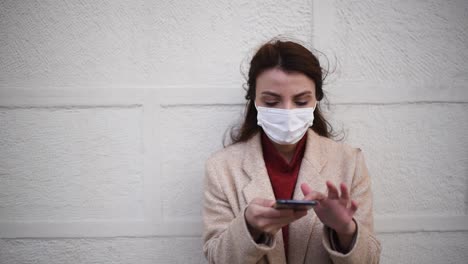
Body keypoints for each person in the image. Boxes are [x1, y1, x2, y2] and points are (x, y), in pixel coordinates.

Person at [202, 40, 382, 264]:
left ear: (316, 101)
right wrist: (248, 226)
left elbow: (370, 259)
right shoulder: (222, 168)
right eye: (271, 101)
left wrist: (345, 230)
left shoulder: (350, 162)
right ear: (254, 100)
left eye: (300, 101)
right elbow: (217, 258)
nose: (287, 111)